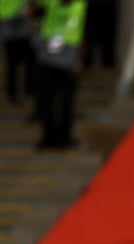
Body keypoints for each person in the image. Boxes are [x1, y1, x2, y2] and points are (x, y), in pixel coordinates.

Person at [34, 0, 85, 149]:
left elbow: (85, 33)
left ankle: (64, 138)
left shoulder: (79, 6)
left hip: (68, 60)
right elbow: (35, 14)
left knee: (66, 102)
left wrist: (79, 60)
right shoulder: (50, 3)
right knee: (48, 100)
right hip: (48, 60)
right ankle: (48, 137)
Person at [0, 0, 35, 105]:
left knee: (28, 63)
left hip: (23, 27)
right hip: (10, 26)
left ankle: (28, 91)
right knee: (12, 64)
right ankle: (13, 93)